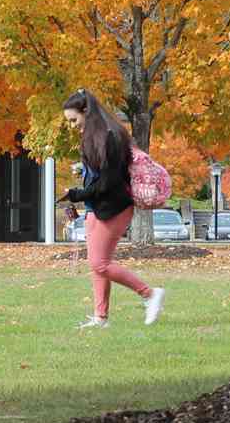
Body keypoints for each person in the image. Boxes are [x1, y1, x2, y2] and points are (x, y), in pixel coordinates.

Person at [55, 89, 166, 328]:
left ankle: (150, 294)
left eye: (74, 120)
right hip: (96, 207)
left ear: (86, 111)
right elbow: (99, 177)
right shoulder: (93, 136)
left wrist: (77, 194)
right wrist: (81, 184)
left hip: (115, 208)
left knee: (99, 263)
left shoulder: (111, 135)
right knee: (97, 264)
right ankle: (100, 318)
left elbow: (109, 181)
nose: (73, 126)